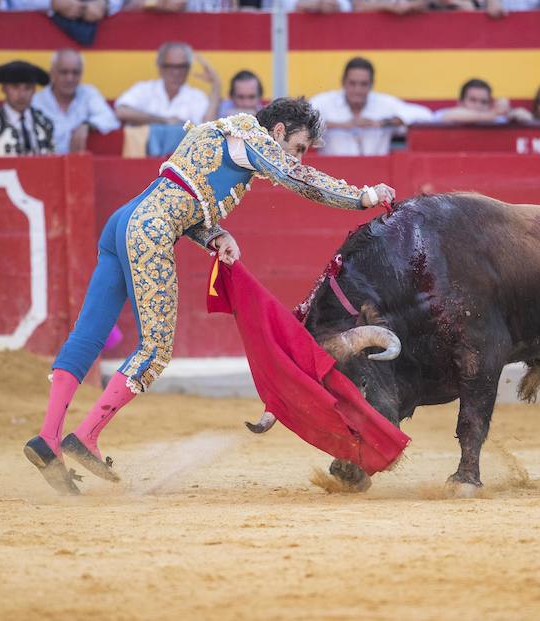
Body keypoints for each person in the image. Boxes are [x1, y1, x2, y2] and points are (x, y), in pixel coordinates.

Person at [23, 97, 397, 495]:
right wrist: (364, 197)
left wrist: (216, 234)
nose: (298, 157)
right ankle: (86, 437)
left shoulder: (220, 132)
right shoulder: (253, 137)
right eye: (299, 147)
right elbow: (297, 179)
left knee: (88, 336)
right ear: (279, 132)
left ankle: (48, 438)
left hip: (126, 221)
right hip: (149, 229)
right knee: (155, 349)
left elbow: (184, 200)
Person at [309, 57, 432, 156]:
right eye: (352, 83)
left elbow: (426, 115)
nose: (358, 90)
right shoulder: (324, 102)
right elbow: (297, 119)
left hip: (378, 176)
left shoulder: (384, 104)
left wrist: (382, 123)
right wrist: (340, 125)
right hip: (333, 175)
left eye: (363, 84)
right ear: (343, 82)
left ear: (371, 84)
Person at [31, 49, 120, 154]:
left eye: (75, 72)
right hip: (45, 164)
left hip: (80, 165)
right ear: (52, 73)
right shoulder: (37, 101)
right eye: (64, 72)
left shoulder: (88, 94)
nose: (70, 78)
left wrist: (87, 125)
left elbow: (111, 119)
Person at [115, 42, 219, 127]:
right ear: (160, 67)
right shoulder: (144, 89)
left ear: (188, 68)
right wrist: (164, 121)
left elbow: (208, 130)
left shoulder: (197, 96)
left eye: (181, 67)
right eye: (170, 66)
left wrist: (216, 85)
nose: (176, 72)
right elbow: (121, 111)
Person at [0, 61, 54, 157]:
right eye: (15, 87)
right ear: (4, 88)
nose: (22, 94)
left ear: (34, 90)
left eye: (27, 88)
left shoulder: (44, 124)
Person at [434, 78, 532, 123]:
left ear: (489, 104)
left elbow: (526, 117)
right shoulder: (445, 115)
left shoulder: (496, 118)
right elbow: (449, 116)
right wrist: (493, 114)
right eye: (473, 100)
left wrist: (509, 112)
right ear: (460, 103)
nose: (478, 105)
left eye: (483, 102)